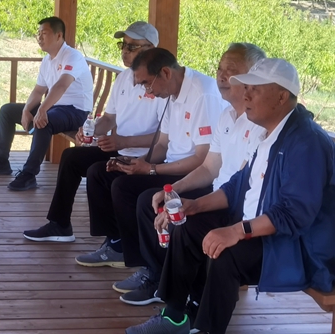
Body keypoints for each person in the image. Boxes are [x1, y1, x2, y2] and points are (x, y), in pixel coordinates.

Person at [127, 58, 335, 334]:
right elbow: (239, 185)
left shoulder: (306, 142)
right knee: (186, 227)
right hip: (255, 225)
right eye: (246, 88)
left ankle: (207, 328)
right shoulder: (269, 132)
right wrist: (194, 206)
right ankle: (175, 316)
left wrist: (237, 230)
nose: (246, 95)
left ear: (282, 96)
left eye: (255, 90)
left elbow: (294, 214)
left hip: (290, 245)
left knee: (226, 254)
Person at [119, 43, 266, 307]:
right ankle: (162, 281)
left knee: (185, 225)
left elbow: (240, 186)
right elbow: (209, 167)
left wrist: (192, 203)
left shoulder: (259, 124)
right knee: (156, 200)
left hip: (240, 209)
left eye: (231, 70)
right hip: (219, 195)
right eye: (219, 68)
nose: (221, 76)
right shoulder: (227, 116)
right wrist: (173, 189)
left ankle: (180, 304)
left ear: (254, 76)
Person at [76, 48, 225, 274]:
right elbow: (162, 144)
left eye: (147, 83)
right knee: (102, 174)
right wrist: (135, 162)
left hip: (192, 174)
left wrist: (152, 169)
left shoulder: (202, 95)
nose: (148, 91)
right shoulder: (171, 93)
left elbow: (203, 159)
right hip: (170, 165)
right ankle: (118, 244)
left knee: (127, 189)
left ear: (165, 73)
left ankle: (149, 268)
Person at [22, 21, 163, 242]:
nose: (125, 51)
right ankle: (60, 225)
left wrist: (122, 141)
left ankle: (114, 240)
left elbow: (165, 138)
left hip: (145, 156)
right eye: (123, 45)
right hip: (120, 148)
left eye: (132, 46)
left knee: (99, 171)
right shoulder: (124, 78)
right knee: (71, 158)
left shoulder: (162, 85)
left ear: (151, 49)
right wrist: (89, 130)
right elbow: (108, 118)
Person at [0, 16, 93, 191]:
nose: (39, 38)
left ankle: (29, 175)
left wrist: (42, 109)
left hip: (76, 111)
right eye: (38, 34)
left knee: (43, 121)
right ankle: (1, 161)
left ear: (59, 35)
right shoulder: (47, 60)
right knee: (7, 111)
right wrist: (26, 110)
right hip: (55, 108)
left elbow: (61, 86)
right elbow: (38, 91)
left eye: (44, 33)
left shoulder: (72, 56)